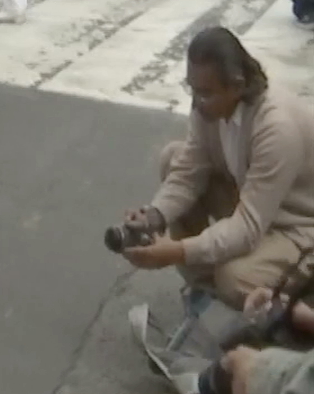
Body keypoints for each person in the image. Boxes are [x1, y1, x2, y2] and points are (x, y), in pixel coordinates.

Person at [123, 27, 314, 309]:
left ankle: (275, 303)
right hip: (256, 205)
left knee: (234, 279)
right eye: (192, 90)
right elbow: (188, 171)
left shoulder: (276, 128)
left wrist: (177, 251)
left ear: (236, 85)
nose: (197, 102)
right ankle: (207, 272)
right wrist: (154, 217)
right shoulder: (208, 105)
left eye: (205, 94)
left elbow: (248, 225)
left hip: (298, 227)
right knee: (172, 157)